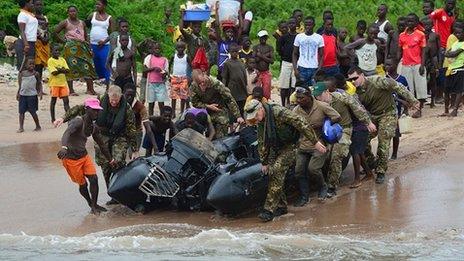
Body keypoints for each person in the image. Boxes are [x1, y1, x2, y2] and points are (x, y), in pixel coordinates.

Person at [244, 98, 325, 222]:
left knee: (277, 170)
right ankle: (281, 206)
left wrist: (315, 142)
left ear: (261, 109)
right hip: (276, 146)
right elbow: (262, 141)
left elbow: (301, 122)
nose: (256, 119)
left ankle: (268, 210)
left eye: (256, 115)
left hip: (291, 145)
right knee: (271, 172)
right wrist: (264, 161)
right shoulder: (261, 121)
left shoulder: (278, 112)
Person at [56, 86, 139, 203]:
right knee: (105, 165)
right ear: (108, 96)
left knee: (118, 161)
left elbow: (131, 129)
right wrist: (63, 118)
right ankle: (112, 194)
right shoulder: (99, 101)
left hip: (119, 135)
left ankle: (121, 191)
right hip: (102, 134)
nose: (114, 102)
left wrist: (135, 149)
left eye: (117, 100)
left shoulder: (127, 108)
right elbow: (79, 108)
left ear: (121, 97)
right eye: (112, 100)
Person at [347, 66, 419, 184]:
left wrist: (412, 101)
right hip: (372, 116)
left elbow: (398, 87)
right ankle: (372, 164)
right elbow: (358, 109)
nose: (353, 82)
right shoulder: (355, 92)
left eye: (355, 78)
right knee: (362, 141)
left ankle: (381, 171)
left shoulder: (377, 81)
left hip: (388, 113)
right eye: (350, 80)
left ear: (362, 75)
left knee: (383, 141)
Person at [312, 82, 375, 197]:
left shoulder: (341, 97)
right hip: (326, 130)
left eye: (319, 95)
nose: (318, 98)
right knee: (324, 154)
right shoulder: (316, 103)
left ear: (327, 92)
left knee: (337, 155)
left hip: (344, 129)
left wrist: (368, 122)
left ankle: (332, 186)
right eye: (316, 96)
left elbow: (357, 109)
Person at [57, 98, 112, 214]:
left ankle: (94, 205)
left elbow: (102, 144)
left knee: (94, 179)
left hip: (84, 156)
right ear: (87, 109)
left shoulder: (93, 127)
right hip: (71, 159)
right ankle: (90, 203)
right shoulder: (78, 121)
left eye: (98, 111)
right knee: (83, 184)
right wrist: (64, 147)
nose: (96, 113)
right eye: (94, 110)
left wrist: (110, 160)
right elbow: (67, 133)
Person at [292, 86, 341, 206]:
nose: (298, 101)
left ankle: (323, 187)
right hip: (303, 145)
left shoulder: (321, 106)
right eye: (297, 98)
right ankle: (304, 196)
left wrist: (326, 126)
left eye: (301, 98)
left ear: (309, 97)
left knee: (313, 169)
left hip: (320, 144)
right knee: (298, 171)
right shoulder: (296, 110)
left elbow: (337, 117)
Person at [54, 5, 97, 96]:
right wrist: (63, 41)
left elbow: (86, 36)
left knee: (88, 65)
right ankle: (71, 90)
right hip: (70, 48)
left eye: (74, 11)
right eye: (70, 11)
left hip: (82, 46)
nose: (72, 13)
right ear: (68, 13)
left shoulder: (82, 23)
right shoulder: (65, 22)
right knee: (71, 68)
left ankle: (90, 89)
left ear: (77, 12)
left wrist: (89, 47)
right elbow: (55, 32)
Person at [190, 69, 244, 139]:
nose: (202, 85)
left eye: (203, 82)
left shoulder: (216, 83)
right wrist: (208, 106)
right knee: (207, 136)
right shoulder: (194, 86)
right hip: (206, 112)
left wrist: (238, 116)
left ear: (204, 75)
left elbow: (229, 99)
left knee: (220, 137)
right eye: (199, 83)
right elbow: (195, 103)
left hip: (220, 111)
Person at [398, 13, 427, 118]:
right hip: (405, 64)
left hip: (418, 64)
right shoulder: (401, 35)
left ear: (416, 22)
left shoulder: (420, 34)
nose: (409, 23)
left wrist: (422, 65)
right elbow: (399, 51)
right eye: (408, 21)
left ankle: (419, 110)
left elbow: (424, 51)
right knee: (407, 88)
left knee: (420, 88)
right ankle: (406, 110)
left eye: (412, 21)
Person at [384, 58, 409, 160]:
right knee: (385, 134)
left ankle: (394, 154)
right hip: (385, 110)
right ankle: (384, 155)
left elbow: (407, 97)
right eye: (385, 65)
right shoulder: (383, 79)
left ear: (395, 66)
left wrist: (405, 109)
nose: (387, 67)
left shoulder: (402, 79)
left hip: (396, 110)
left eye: (389, 64)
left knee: (396, 133)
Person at [88, 0, 115, 90]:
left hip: (105, 45)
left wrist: (104, 41)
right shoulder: (92, 15)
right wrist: (88, 40)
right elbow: (85, 27)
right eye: (96, 4)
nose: (97, 6)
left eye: (99, 4)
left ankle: (108, 87)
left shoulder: (109, 18)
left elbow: (113, 34)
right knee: (93, 65)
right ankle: (90, 89)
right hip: (92, 45)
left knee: (106, 65)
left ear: (104, 5)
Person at [293, 16, 324, 85]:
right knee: (301, 90)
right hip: (302, 68)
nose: (308, 27)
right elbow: (295, 54)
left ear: (314, 25)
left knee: (313, 91)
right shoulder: (299, 37)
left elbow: (322, 55)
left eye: (310, 25)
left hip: (314, 68)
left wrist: (318, 70)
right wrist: (295, 70)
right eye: (306, 24)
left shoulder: (319, 38)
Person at [443, 25, 464, 117]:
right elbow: (447, 53)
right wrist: (449, 54)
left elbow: (452, 53)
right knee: (447, 90)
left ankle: (455, 109)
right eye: (456, 33)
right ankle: (446, 110)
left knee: (459, 90)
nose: (458, 35)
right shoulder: (455, 43)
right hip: (451, 69)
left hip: (460, 68)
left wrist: (449, 54)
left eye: (460, 33)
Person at [222, 43, 248, 116]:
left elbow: (244, 75)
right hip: (233, 87)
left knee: (242, 106)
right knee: (233, 106)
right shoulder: (227, 63)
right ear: (230, 52)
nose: (234, 53)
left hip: (242, 87)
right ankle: (232, 124)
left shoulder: (241, 62)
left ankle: (242, 122)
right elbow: (224, 77)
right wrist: (223, 89)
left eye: (236, 52)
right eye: (233, 52)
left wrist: (246, 85)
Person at [143, 42, 169, 116]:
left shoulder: (164, 59)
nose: (157, 50)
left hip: (160, 83)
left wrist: (163, 73)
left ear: (161, 50)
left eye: (158, 49)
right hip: (151, 83)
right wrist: (153, 68)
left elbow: (166, 72)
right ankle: (151, 116)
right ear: (153, 50)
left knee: (161, 102)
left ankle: (162, 116)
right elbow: (144, 70)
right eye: (155, 49)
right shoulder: (149, 58)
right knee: (151, 102)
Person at [17, 58, 42, 133]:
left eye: (33, 64)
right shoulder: (22, 73)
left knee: (33, 111)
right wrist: (18, 93)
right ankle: (21, 127)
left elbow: (39, 83)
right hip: (23, 95)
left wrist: (40, 92)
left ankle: (38, 126)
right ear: (26, 65)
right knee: (21, 112)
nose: (32, 65)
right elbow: (20, 85)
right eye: (30, 64)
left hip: (32, 96)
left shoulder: (36, 74)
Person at [124, 87, 150, 156]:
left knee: (133, 153)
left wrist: (149, 134)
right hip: (123, 131)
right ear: (124, 94)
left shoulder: (140, 106)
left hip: (136, 132)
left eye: (131, 95)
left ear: (134, 95)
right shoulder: (120, 103)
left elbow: (146, 121)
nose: (129, 97)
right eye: (127, 95)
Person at [278, 17, 298, 107]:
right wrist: (284, 55)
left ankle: (292, 103)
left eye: (293, 23)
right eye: (290, 23)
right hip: (286, 62)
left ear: (296, 24)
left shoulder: (299, 36)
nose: (291, 25)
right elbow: (279, 49)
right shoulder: (284, 37)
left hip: (296, 62)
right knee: (284, 85)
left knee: (294, 85)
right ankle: (283, 104)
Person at [48, 45, 70, 123]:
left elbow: (67, 70)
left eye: (58, 51)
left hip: (63, 83)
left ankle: (68, 117)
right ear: (51, 52)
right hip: (54, 84)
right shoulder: (50, 60)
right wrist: (62, 70)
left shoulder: (62, 59)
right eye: (55, 51)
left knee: (66, 101)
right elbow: (54, 73)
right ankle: (53, 118)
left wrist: (59, 70)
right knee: (53, 101)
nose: (57, 52)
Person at [422, 17, 441, 108]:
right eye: (425, 25)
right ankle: (422, 100)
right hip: (423, 60)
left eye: (429, 24)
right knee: (422, 81)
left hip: (433, 60)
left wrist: (439, 62)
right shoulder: (421, 35)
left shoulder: (435, 35)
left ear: (432, 25)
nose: (427, 26)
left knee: (433, 81)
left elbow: (438, 49)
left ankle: (432, 101)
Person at [16, 0, 38, 71]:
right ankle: (21, 82)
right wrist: (26, 44)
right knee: (23, 66)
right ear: (26, 4)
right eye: (31, 3)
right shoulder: (22, 14)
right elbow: (22, 30)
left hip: (31, 43)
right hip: (24, 43)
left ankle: (28, 82)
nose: (33, 5)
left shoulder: (29, 14)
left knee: (30, 66)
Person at [170, 41, 190, 118]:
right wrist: (169, 74)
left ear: (184, 48)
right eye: (179, 47)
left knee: (183, 96)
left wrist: (189, 76)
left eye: (182, 47)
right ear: (176, 48)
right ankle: (173, 112)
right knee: (173, 96)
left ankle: (182, 112)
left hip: (183, 78)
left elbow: (190, 66)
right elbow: (169, 64)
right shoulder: (173, 56)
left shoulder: (186, 57)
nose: (180, 49)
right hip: (175, 77)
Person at [253, 30, 274, 100]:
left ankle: (266, 104)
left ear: (267, 38)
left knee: (266, 91)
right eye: (262, 37)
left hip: (266, 72)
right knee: (257, 90)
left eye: (265, 37)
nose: (263, 39)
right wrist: (266, 55)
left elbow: (272, 61)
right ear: (259, 38)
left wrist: (260, 55)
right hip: (257, 72)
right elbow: (255, 60)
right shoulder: (255, 47)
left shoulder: (270, 47)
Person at [33, 0, 50, 87]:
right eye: (37, 5)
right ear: (33, 6)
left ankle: (39, 87)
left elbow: (47, 30)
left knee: (42, 66)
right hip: (37, 43)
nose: (39, 6)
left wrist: (47, 38)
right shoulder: (32, 17)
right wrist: (41, 38)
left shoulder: (45, 17)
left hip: (45, 44)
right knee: (37, 65)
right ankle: (37, 87)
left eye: (41, 5)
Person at [137, 38, 156, 103]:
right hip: (144, 78)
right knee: (142, 96)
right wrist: (144, 40)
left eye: (153, 48)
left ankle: (151, 110)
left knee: (152, 97)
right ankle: (140, 109)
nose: (151, 50)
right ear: (146, 48)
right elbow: (138, 46)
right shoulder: (144, 55)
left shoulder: (156, 57)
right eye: (149, 48)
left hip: (153, 79)